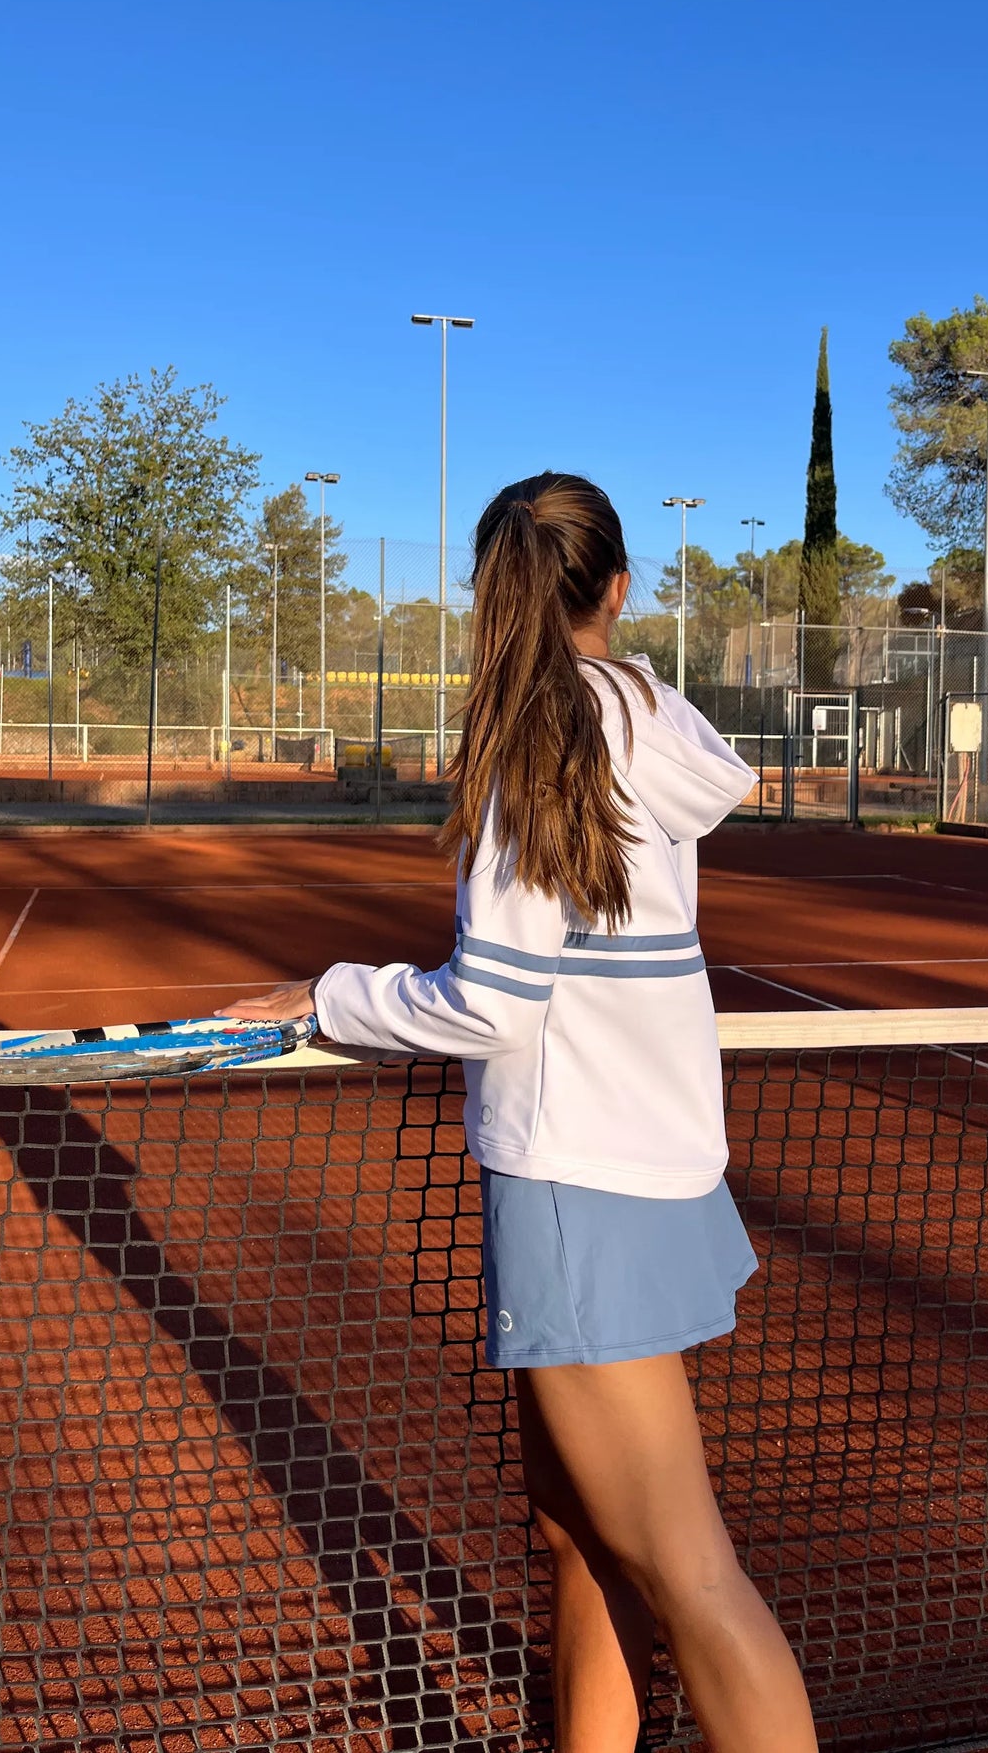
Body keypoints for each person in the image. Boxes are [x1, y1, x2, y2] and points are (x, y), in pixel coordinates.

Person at [225, 472, 820, 1752]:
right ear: (615, 587)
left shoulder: (538, 737)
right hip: (653, 1166)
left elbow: (490, 999)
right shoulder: (648, 716)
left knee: (689, 1570)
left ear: (489, 595)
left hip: (577, 1185)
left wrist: (331, 995)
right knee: (576, 1529)